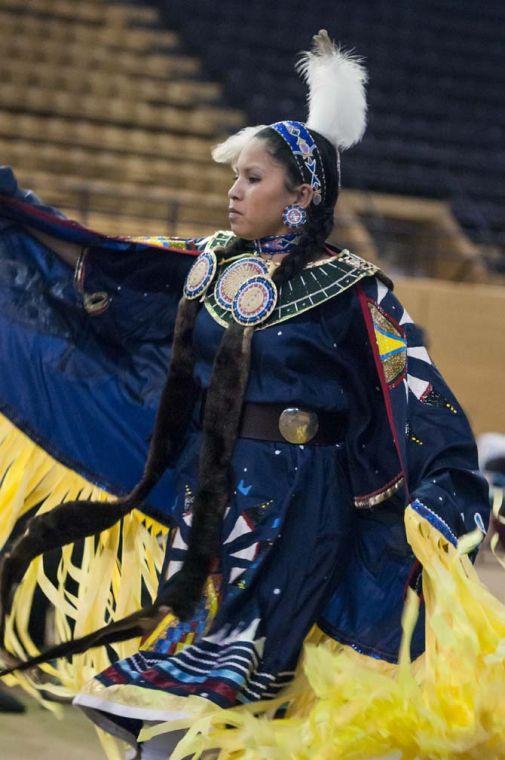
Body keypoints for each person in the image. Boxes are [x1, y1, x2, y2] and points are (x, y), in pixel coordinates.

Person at [0, 31, 494, 759]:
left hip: (301, 504)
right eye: (234, 176)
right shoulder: (207, 264)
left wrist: (444, 494)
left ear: (301, 196)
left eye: (252, 177)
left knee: (234, 677)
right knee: (187, 681)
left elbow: (415, 395)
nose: (233, 190)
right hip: (212, 494)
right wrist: (20, 212)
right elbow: (118, 267)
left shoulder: (351, 292)